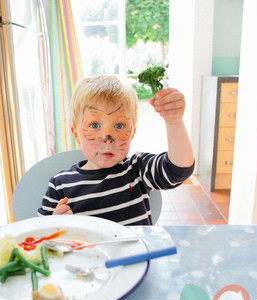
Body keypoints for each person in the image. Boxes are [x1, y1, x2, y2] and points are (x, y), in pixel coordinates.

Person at [38, 75, 194, 225]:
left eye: (119, 126)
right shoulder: (59, 185)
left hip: (136, 253)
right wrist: (56, 224)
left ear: (132, 133)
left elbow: (178, 169)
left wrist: (174, 122)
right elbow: (40, 236)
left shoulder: (137, 169)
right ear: (76, 134)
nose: (108, 136)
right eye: (94, 125)